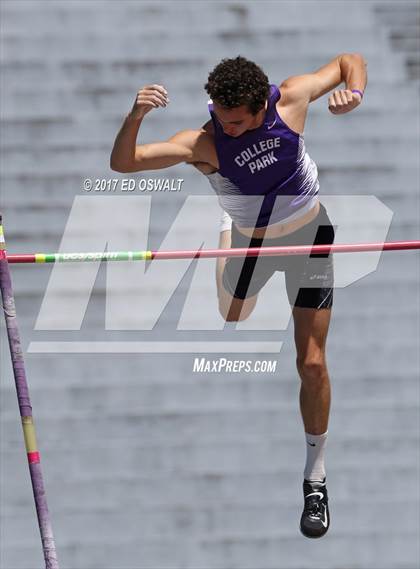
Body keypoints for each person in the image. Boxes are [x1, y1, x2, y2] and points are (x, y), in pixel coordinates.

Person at [110, 53, 367, 538]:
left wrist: (354, 93)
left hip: (311, 236)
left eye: (234, 122)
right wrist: (135, 116)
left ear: (258, 108)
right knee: (232, 313)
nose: (224, 128)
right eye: (219, 118)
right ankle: (227, 227)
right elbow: (124, 164)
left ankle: (315, 479)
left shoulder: (291, 99)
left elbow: (350, 61)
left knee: (311, 364)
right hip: (256, 242)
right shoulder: (204, 143)